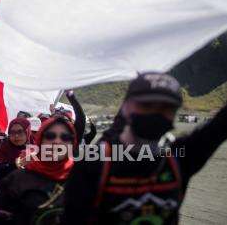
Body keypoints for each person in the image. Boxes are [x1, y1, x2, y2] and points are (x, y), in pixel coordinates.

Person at [62, 72, 227, 224]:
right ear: (125, 107)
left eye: (166, 108)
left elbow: (219, 126)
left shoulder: (179, 158)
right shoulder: (94, 163)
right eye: (146, 105)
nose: (155, 113)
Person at [0, 117, 77, 225]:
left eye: (65, 137)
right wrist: (18, 164)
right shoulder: (17, 179)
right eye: (50, 136)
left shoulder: (81, 179)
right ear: (41, 141)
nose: (57, 142)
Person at [0, 118, 31, 182]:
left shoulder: (36, 148)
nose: (16, 136)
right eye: (12, 132)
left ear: (27, 132)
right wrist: (16, 164)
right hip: (7, 188)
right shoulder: (3, 147)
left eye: (20, 132)